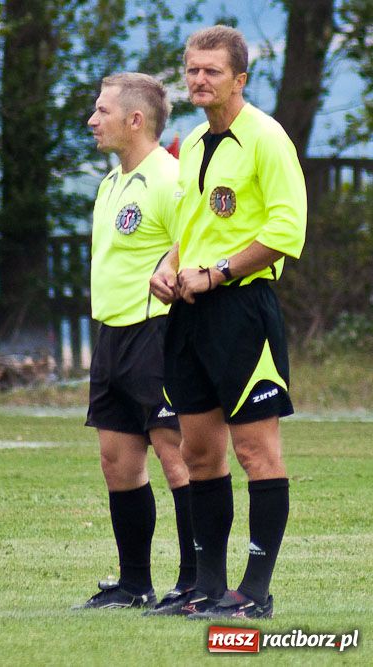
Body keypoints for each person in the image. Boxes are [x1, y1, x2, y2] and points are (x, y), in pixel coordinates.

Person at [147, 25, 306, 619]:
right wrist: (168, 268)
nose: (198, 80)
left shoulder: (268, 139)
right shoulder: (188, 145)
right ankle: (207, 588)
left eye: (211, 71)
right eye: (191, 69)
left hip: (244, 310)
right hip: (189, 313)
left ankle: (256, 592)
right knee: (199, 452)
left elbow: (286, 234)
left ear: (240, 79)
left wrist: (215, 272)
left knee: (255, 450)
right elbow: (186, 232)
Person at [73, 73, 197, 612]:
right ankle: (134, 584)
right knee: (117, 461)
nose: (92, 121)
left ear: (135, 119)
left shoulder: (170, 179)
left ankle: (196, 581)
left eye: (102, 111)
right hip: (112, 336)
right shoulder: (111, 183)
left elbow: (193, 247)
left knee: (178, 458)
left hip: (158, 334)